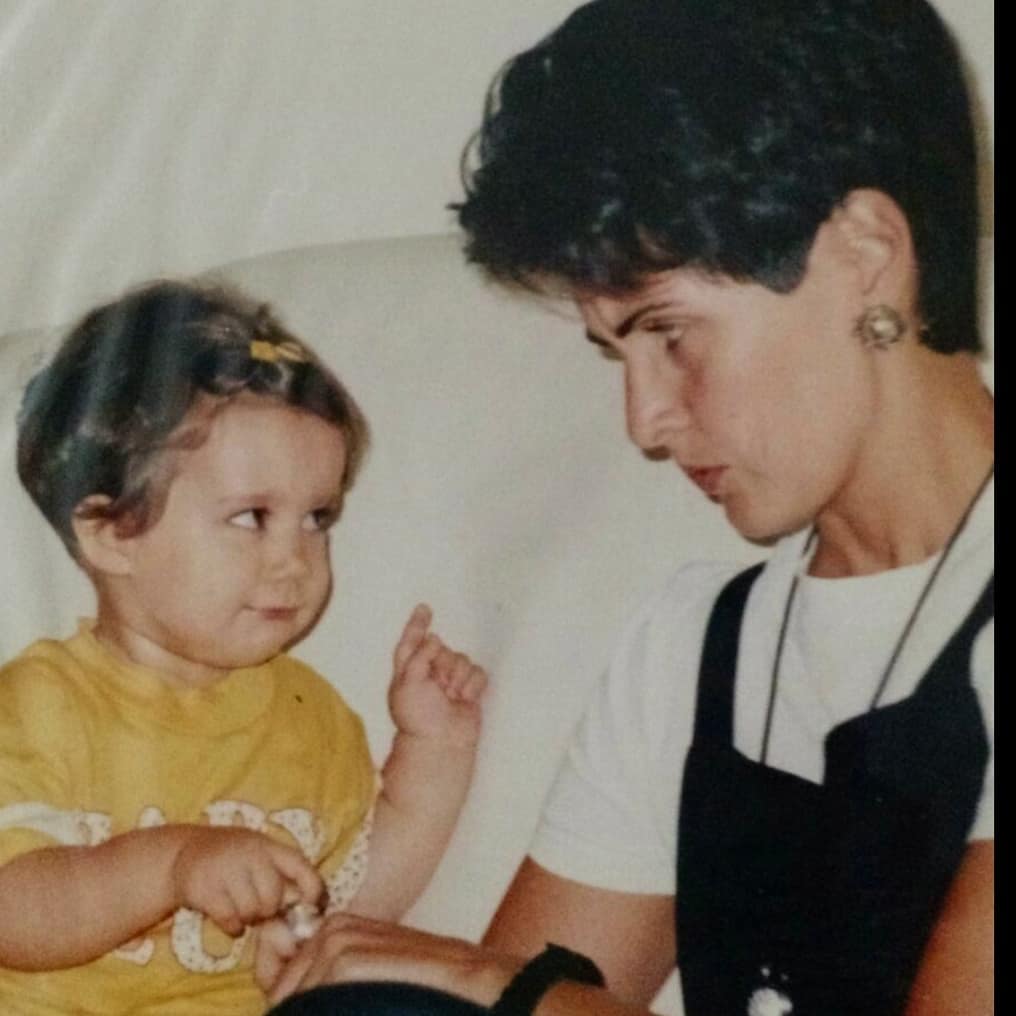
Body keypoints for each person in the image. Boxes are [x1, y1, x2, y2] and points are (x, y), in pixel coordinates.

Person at [260, 0, 993, 1014]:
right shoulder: (698, 644)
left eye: (669, 333)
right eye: (615, 352)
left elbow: (507, 988)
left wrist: (477, 972)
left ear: (864, 254)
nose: (643, 421)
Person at [0, 279, 488, 1014]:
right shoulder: (40, 704)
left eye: (317, 518)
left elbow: (349, 912)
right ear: (110, 533)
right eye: (252, 517)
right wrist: (174, 866)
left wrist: (435, 751)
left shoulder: (309, 719)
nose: (295, 560)